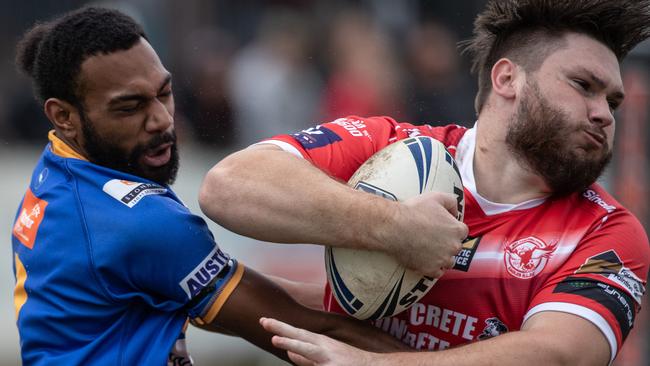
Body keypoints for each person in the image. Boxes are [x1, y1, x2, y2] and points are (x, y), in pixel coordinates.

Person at [199, 0, 650, 364]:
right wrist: (392, 226)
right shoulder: (390, 146)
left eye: (612, 101)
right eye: (583, 85)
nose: (603, 114)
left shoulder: (608, 233)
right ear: (508, 78)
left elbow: (557, 354)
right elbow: (228, 186)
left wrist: (372, 364)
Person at [9, 7, 406, 365]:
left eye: (164, 93)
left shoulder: (57, 175)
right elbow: (305, 335)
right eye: (129, 108)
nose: (161, 120)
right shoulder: (139, 224)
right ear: (63, 116)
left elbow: (205, 296)